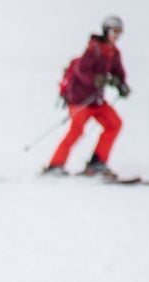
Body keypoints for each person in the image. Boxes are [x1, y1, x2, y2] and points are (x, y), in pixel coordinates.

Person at [44, 15, 130, 177]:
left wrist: (122, 85)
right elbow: (82, 71)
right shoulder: (94, 48)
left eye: (120, 32)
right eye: (114, 31)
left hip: (96, 101)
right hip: (80, 99)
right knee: (76, 131)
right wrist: (97, 79)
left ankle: (97, 163)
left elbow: (118, 73)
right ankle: (55, 165)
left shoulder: (114, 52)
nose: (117, 35)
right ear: (106, 31)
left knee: (114, 124)